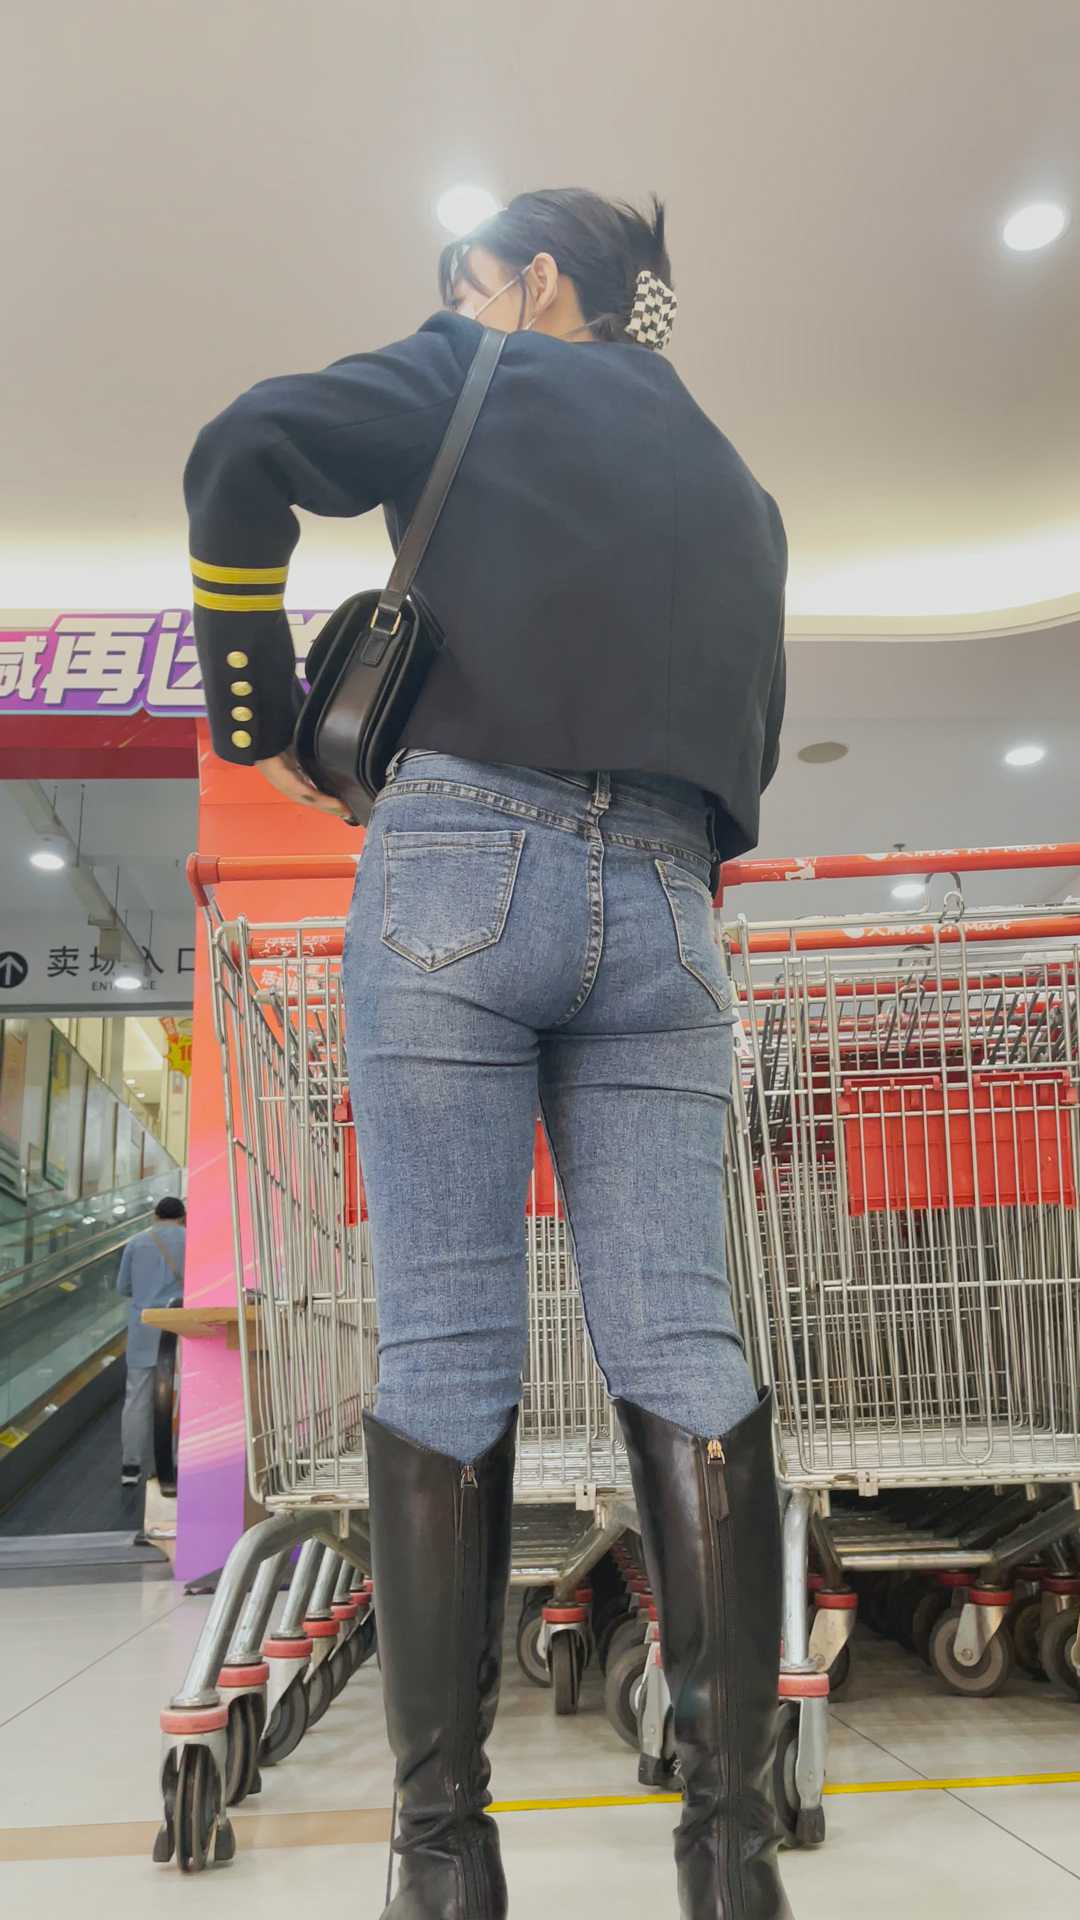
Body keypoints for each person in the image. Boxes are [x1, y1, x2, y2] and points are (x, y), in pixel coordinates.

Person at [185, 188, 790, 1920]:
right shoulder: (741, 490)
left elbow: (245, 447)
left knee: (447, 1346)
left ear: (534, 282)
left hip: (461, 869)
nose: (456, 307)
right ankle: (733, 1860)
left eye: (468, 284)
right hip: (670, 906)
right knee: (685, 1341)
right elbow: (745, 743)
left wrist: (254, 709)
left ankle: (446, 1863)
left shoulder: (477, 367)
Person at [116, 1194, 186, 1485]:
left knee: (136, 1397)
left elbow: (123, 1287)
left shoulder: (136, 1242)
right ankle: (176, 1462)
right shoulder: (192, 1240)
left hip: (144, 1326)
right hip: (179, 1327)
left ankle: (130, 1468)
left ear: (156, 1215)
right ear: (182, 1217)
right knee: (179, 1397)